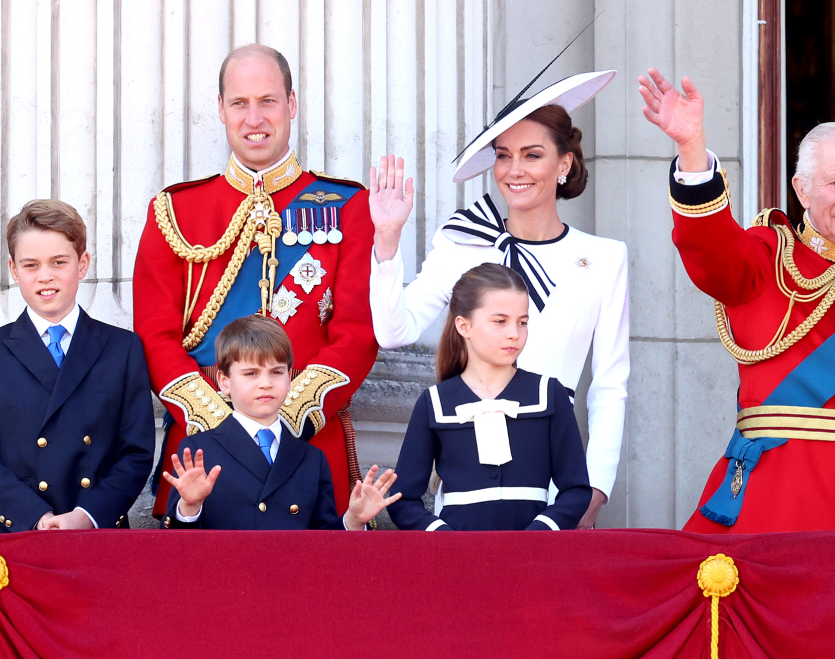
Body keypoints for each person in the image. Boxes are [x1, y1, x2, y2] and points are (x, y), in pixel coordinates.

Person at [641, 69, 835, 532]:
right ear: (802, 190)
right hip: (771, 507)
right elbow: (711, 250)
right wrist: (692, 150)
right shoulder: (768, 256)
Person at [367, 69, 626, 528]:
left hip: (556, 483)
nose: (514, 170)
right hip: (468, 486)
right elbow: (393, 332)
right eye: (503, 156)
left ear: (564, 164)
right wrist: (386, 242)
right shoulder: (462, 241)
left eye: (532, 155)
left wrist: (595, 490)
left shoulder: (604, 258)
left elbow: (609, 385)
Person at [133, 45, 379, 520]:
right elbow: (154, 334)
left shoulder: (349, 207)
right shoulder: (175, 212)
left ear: (291, 104)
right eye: (240, 103)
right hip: (203, 445)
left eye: (267, 101)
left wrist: (286, 415)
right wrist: (219, 422)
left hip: (306, 444)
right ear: (221, 109)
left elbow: (358, 333)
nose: (254, 117)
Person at [0, 201, 155, 531]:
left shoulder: (122, 348)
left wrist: (87, 516)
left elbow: (136, 454)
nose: (46, 276)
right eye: (31, 265)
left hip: (97, 532)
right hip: (16, 532)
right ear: (14, 270)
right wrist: (35, 516)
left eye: (59, 262)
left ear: (82, 263)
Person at [388, 264, 594, 532]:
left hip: (535, 559)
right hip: (459, 560)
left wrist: (540, 534)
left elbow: (576, 490)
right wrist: (444, 539)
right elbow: (402, 500)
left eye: (523, 322)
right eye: (500, 321)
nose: (514, 333)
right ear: (464, 326)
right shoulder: (435, 402)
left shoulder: (549, 394)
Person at [162, 316, 395, 530]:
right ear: (224, 381)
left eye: (276, 372)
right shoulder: (199, 450)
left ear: (289, 376)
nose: (266, 383)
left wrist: (353, 520)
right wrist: (189, 508)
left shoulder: (311, 458)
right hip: (224, 573)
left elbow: (323, 545)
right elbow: (176, 550)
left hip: (293, 574)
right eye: (251, 373)